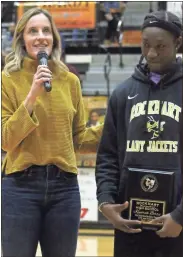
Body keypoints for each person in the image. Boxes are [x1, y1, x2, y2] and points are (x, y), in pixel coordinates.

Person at [2, 8, 102, 257]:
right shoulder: (8, 79)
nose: (40, 36)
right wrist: (33, 95)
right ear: (22, 39)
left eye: (46, 30)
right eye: (32, 31)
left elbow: (79, 138)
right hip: (20, 187)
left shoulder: (70, 80)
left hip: (64, 189)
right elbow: (6, 140)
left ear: (54, 38)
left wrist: (112, 126)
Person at [95, 10, 183, 257]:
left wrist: (180, 216)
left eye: (160, 46)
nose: (152, 53)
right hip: (129, 227)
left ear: (178, 43)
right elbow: (107, 157)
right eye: (146, 45)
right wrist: (105, 202)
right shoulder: (122, 94)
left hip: (177, 225)